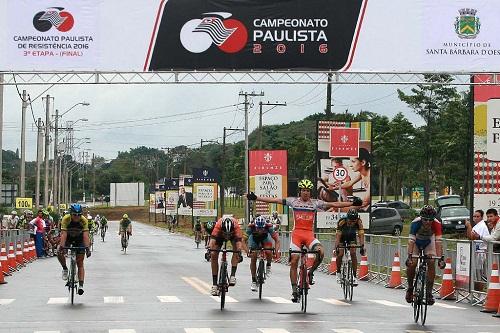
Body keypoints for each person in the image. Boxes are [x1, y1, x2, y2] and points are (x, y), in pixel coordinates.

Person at [246, 179, 360, 302]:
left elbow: (335, 204)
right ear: (300, 191)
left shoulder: (316, 203)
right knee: (294, 260)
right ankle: (294, 290)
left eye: (308, 191)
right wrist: (256, 197)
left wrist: (352, 204)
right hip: (297, 235)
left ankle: (311, 272)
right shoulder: (293, 201)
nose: (306, 193)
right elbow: (275, 200)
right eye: (303, 190)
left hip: (309, 235)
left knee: (321, 252)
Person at [405, 205, 446, 305]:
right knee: (413, 263)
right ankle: (410, 288)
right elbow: (411, 241)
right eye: (425, 219)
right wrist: (410, 256)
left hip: (429, 242)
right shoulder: (415, 223)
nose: (428, 222)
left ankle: (429, 293)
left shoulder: (437, 224)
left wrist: (441, 258)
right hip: (416, 242)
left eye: (430, 220)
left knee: (431, 261)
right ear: (421, 218)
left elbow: (438, 242)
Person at [57, 204, 91, 295]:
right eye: (75, 215)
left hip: (79, 239)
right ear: (71, 214)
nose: (77, 217)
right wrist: (61, 247)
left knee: (80, 262)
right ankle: (64, 268)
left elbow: (85, 236)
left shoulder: (84, 220)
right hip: (68, 238)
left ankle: (81, 285)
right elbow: (64, 235)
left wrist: (87, 248)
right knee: (58, 251)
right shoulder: (65, 219)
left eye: (79, 215)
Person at [243, 215, 280, 292]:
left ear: (264, 226)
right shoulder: (251, 227)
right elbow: (243, 241)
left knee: (268, 251)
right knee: (253, 257)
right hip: (254, 240)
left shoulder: (269, 227)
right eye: (258, 228)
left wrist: (276, 251)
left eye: (261, 228)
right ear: (255, 226)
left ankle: (268, 265)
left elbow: (277, 240)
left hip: (265, 238)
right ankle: (253, 280)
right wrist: (247, 251)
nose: (260, 230)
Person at [209, 216, 243, 296]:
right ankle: (214, 285)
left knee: (236, 251)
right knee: (213, 255)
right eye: (225, 234)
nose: (227, 236)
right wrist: (209, 250)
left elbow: (239, 243)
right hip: (220, 236)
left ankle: (232, 276)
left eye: (229, 234)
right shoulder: (218, 226)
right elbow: (212, 241)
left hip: (233, 236)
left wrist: (239, 252)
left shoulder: (236, 227)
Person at [335, 209, 366, 286]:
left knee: (353, 253)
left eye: (353, 221)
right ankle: (338, 272)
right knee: (340, 254)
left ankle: (354, 276)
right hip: (342, 237)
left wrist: (362, 246)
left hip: (352, 238)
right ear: (347, 218)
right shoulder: (342, 221)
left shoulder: (359, 222)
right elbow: (338, 236)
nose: (351, 223)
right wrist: (337, 246)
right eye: (350, 221)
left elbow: (361, 235)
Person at [465, 209, 490, 290]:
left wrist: (469, 226)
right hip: (475, 253)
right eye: (474, 216)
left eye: (477, 216)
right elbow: (470, 237)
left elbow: (472, 238)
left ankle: (479, 294)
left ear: (482, 217)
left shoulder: (482, 226)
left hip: (480, 253)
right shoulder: (477, 226)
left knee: (479, 274)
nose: (475, 218)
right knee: (475, 274)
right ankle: (476, 293)